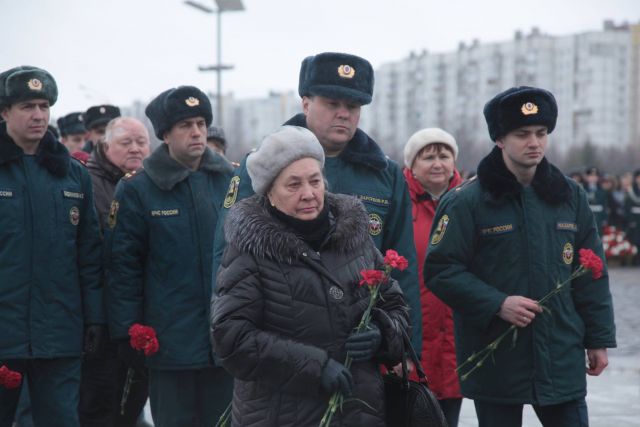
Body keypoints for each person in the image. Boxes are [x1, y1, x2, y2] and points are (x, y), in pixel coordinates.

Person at [424, 86, 616, 427]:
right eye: (522, 134)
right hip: (497, 357)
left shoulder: (569, 196)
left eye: (541, 133)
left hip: (560, 355)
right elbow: (441, 271)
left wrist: (598, 339)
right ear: (499, 139)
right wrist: (498, 303)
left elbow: (591, 272)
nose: (534, 143)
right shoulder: (466, 201)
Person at [214, 52, 422, 352]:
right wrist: (236, 343)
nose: (343, 114)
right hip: (282, 346)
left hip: (362, 349)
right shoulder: (261, 165)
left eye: (352, 106)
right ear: (306, 103)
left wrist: (399, 344)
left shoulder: (384, 174)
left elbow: (402, 268)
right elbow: (225, 256)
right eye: (332, 104)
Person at [211, 125, 409, 426]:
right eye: (293, 185)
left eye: (314, 181)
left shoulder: (354, 235)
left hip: (358, 411)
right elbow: (231, 338)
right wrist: (315, 367)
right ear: (270, 194)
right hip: (281, 414)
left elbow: (395, 304)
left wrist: (382, 334)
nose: (308, 194)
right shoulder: (249, 249)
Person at [104, 85, 234, 427]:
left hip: (225, 340)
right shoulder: (137, 190)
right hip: (169, 345)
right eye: (185, 125)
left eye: (201, 124)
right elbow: (123, 269)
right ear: (165, 134)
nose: (197, 132)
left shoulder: (229, 182)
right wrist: (127, 332)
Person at [0, 66, 104, 427]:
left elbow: (89, 254)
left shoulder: (72, 174)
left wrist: (93, 318)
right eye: (28, 106)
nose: (39, 115)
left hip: (59, 334)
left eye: (44, 106)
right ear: (4, 112)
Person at [80, 117, 151, 427]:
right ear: (106, 146)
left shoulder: (151, 184)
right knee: (101, 405)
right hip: (102, 318)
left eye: (141, 142)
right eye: (126, 143)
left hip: (141, 314)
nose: (135, 149)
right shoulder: (87, 183)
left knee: (132, 404)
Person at [402, 127, 463, 427]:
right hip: (414, 331)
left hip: (455, 335)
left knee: (448, 416)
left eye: (444, 155)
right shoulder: (401, 203)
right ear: (412, 165)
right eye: (428, 157)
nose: (438, 163)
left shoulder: (467, 201)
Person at [583, 166, 608, 232]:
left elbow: (604, 205)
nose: (593, 178)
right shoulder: (582, 189)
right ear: (587, 177)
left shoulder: (602, 190)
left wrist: (604, 219)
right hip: (586, 217)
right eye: (591, 176)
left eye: (595, 176)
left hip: (598, 217)